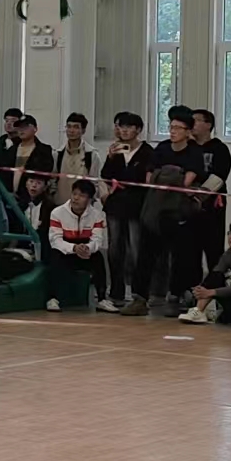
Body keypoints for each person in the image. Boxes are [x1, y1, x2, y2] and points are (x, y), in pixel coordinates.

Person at [122, 109, 205, 317]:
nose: (173, 131)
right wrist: (170, 176)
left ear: (188, 131)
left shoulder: (194, 152)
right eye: (171, 127)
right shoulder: (162, 148)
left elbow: (186, 182)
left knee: (181, 257)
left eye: (178, 128)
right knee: (145, 255)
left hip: (178, 212)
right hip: (154, 209)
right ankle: (140, 298)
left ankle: (176, 296)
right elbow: (150, 178)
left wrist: (166, 177)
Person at [101, 112, 153, 305]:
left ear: (138, 130)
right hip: (116, 206)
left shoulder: (147, 152)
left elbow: (143, 180)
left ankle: (139, 293)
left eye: (129, 127)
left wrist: (124, 181)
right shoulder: (116, 150)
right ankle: (116, 291)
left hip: (137, 207)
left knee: (136, 250)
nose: (124, 130)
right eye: (121, 126)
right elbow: (106, 175)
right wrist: (110, 157)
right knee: (115, 249)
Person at [42, 179, 116, 313]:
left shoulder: (97, 215)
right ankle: (52, 298)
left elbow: (97, 239)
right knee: (54, 257)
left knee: (98, 257)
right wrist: (73, 248)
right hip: (65, 251)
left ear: (89, 199)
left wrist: (88, 248)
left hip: (85, 251)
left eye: (81, 195)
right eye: (74, 194)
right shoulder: (57, 213)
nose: (76, 198)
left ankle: (101, 299)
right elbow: (55, 240)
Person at [190, 108, 231, 272]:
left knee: (213, 247)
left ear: (208, 125)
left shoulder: (219, 148)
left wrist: (199, 195)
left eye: (196, 120)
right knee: (191, 248)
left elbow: (220, 176)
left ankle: (215, 282)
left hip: (212, 204)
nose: (192, 124)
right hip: (187, 204)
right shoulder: (188, 147)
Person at [52, 113, 100, 206]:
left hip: (83, 206)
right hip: (60, 204)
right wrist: (53, 195)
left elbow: (94, 183)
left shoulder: (91, 155)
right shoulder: (58, 154)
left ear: (83, 130)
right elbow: (53, 179)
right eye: (69, 127)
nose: (71, 130)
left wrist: (90, 200)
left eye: (76, 127)